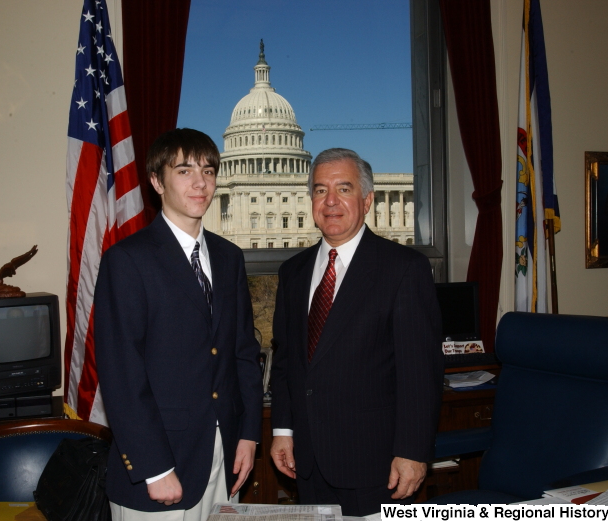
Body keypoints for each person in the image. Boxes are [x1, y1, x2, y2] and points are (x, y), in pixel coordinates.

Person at [95, 128, 262, 521]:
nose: (200, 182)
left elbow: (242, 353)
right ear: (157, 181)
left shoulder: (229, 257)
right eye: (184, 170)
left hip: (225, 459)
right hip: (160, 468)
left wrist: (249, 433)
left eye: (208, 170)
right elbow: (122, 372)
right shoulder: (128, 261)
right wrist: (153, 466)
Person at [269, 148, 444, 516]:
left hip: (377, 466)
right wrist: (283, 430)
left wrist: (413, 452)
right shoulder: (293, 273)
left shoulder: (403, 269)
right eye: (320, 190)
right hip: (309, 463)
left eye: (343, 189)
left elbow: (420, 374)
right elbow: (286, 362)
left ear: (367, 200)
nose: (330, 201)